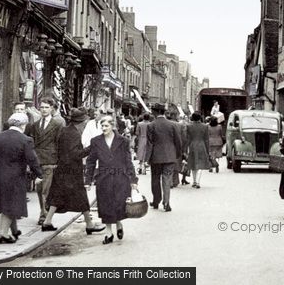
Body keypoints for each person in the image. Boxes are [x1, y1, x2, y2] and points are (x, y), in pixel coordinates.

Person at [41, 108, 105, 235]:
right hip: (71, 171)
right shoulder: (74, 134)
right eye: (84, 121)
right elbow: (75, 154)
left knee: (57, 196)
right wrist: (91, 147)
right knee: (81, 197)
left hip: (62, 169)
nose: (85, 123)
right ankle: (89, 225)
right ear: (80, 122)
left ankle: (47, 222)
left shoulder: (65, 130)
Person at [0, 113, 42, 244]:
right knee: (11, 204)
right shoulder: (25, 140)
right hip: (14, 177)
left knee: (7, 203)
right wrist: (38, 174)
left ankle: (14, 230)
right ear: (23, 125)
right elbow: (32, 159)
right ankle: (3, 234)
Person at [86, 116, 138, 244]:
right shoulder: (96, 141)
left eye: (106, 126)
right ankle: (108, 233)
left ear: (113, 126)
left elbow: (128, 161)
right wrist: (88, 180)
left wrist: (133, 180)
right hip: (104, 178)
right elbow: (91, 162)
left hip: (121, 178)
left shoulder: (123, 141)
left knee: (119, 204)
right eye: (102, 126)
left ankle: (119, 224)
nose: (104, 128)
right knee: (106, 205)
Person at [25, 97, 63, 225]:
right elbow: (33, 142)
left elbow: (59, 143)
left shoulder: (57, 124)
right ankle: (43, 212)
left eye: (47, 107)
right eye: (41, 107)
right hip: (38, 161)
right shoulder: (35, 125)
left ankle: (45, 216)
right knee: (40, 189)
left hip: (50, 161)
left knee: (46, 190)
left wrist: (58, 161)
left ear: (52, 109)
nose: (44, 110)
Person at [146, 103, 182, 211]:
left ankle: (156, 201)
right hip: (170, 156)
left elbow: (150, 143)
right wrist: (177, 154)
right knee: (167, 179)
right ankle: (166, 203)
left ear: (155, 112)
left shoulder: (151, 125)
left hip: (156, 157)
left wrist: (147, 158)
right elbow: (178, 142)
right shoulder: (173, 125)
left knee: (155, 179)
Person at [186, 112, 210, 187]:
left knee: (193, 164)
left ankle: (194, 181)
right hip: (201, 145)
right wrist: (207, 149)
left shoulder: (189, 126)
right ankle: (198, 182)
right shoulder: (205, 126)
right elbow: (206, 139)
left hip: (192, 145)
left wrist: (186, 149)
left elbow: (187, 138)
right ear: (200, 118)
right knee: (200, 164)